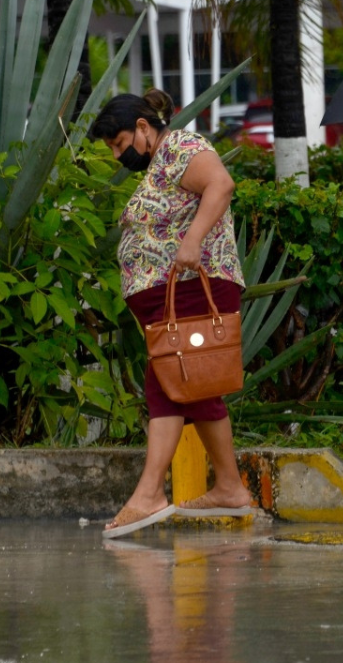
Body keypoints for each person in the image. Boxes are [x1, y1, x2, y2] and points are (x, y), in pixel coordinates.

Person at [90, 89, 252, 538]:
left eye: (121, 143)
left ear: (144, 127)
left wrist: (193, 241)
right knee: (191, 384)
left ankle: (149, 495)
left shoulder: (181, 145)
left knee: (169, 384)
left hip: (192, 288)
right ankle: (230, 488)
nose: (120, 154)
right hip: (173, 295)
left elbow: (220, 185)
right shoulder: (161, 163)